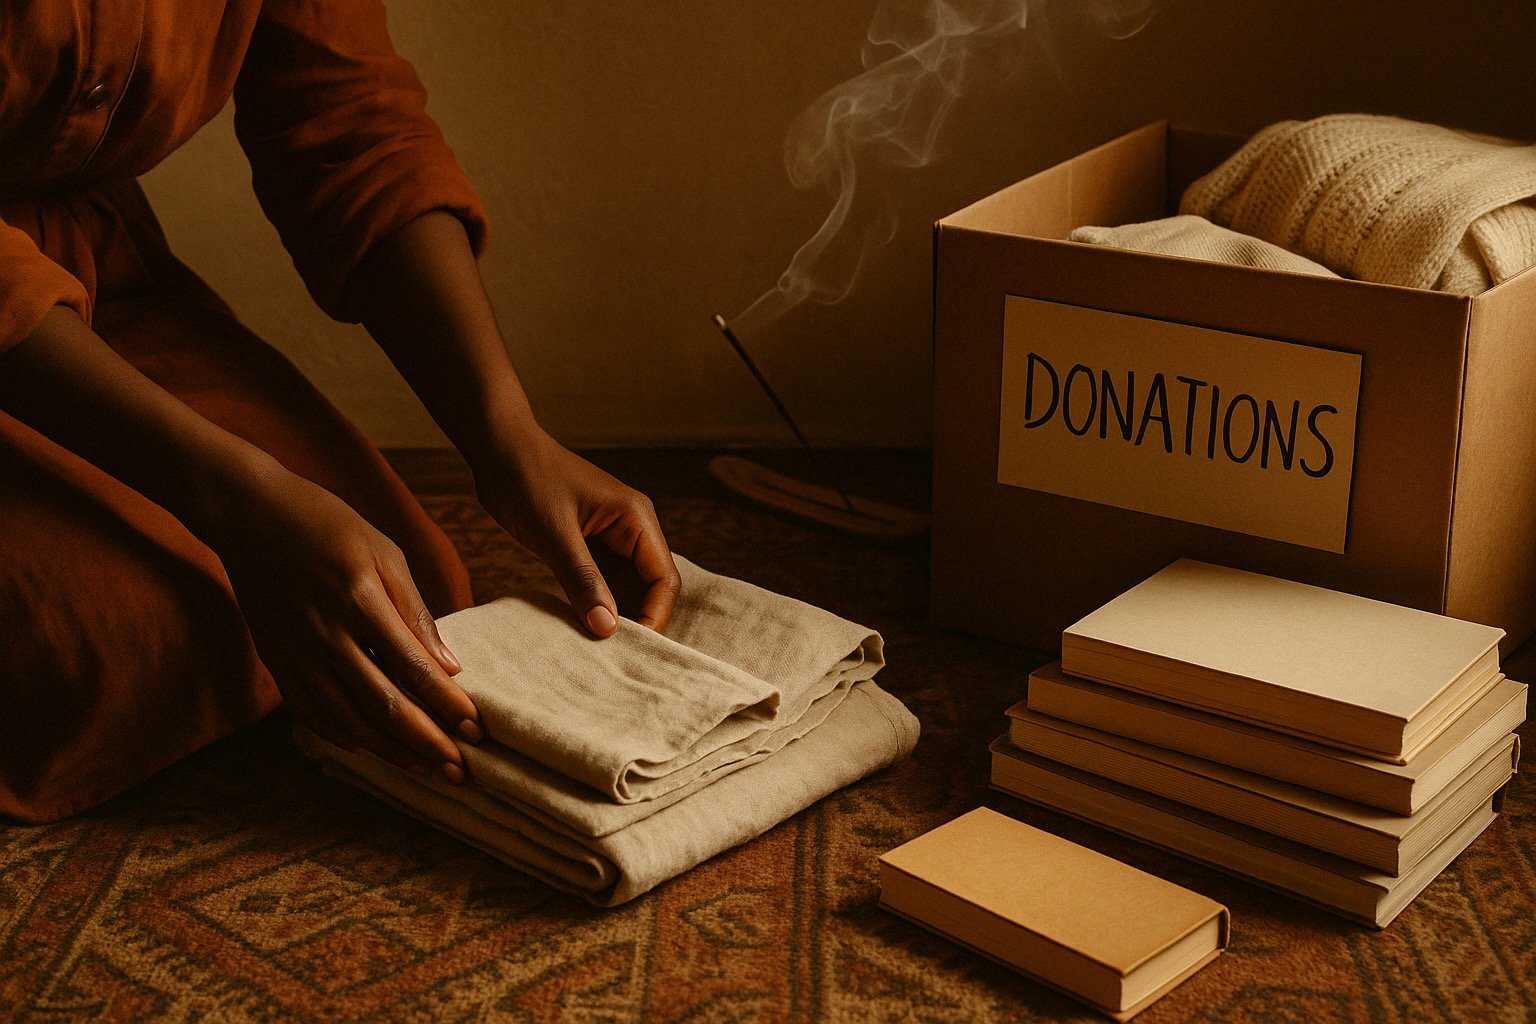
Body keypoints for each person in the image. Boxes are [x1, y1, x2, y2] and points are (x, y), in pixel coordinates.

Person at [0, 1, 681, 823]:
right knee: (109, 656)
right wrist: (235, 498)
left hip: (92, 285)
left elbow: (352, 124)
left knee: (404, 589)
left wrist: (507, 436)